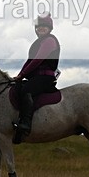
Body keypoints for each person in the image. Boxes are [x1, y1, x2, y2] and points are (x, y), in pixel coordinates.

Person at [11, 14, 61, 144]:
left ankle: (26, 123)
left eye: (44, 26)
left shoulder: (50, 40)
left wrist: (22, 75)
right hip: (36, 76)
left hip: (45, 77)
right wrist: (20, 75)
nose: (41, 29)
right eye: (39, 27)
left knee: (27, 90)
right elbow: (29, 61)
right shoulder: (37, 43)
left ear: (49, 28)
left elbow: (38, 59)